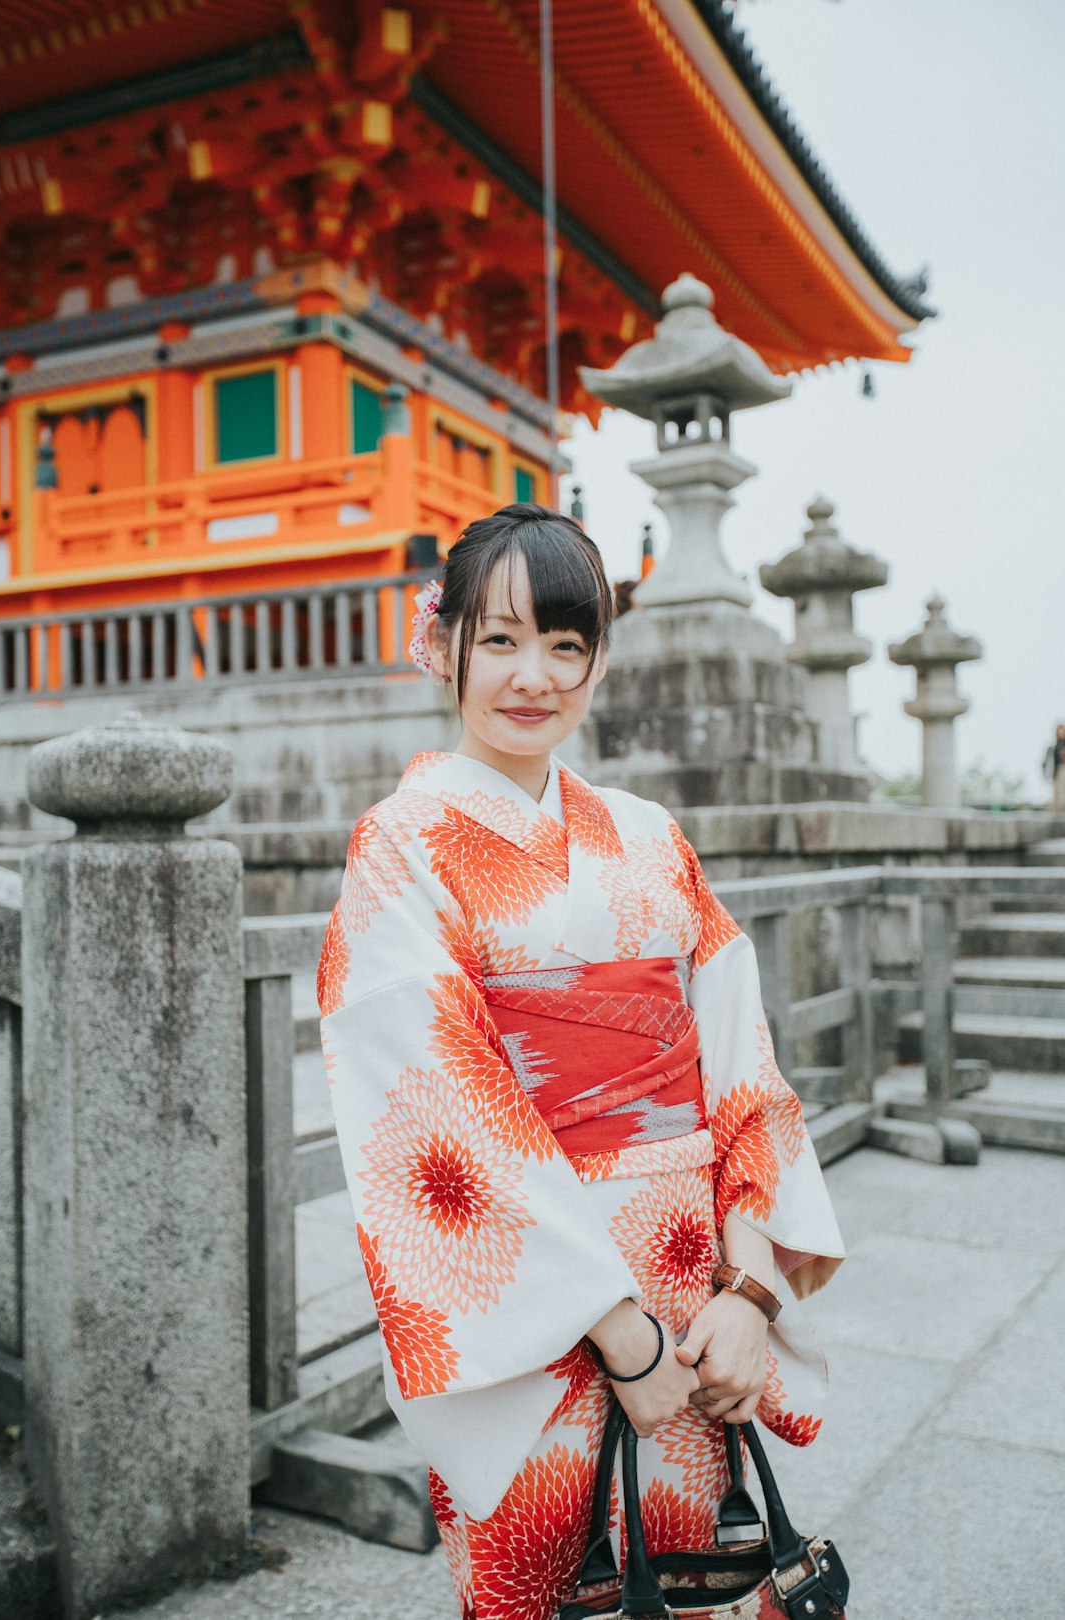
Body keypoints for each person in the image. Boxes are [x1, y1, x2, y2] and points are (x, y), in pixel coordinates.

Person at [317, 504, 844, 1620]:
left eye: (568, 643)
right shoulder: (402, 845)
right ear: (438, 638)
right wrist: (617, 1329)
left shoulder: (651, 835)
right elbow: (433, 1109)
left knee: (700, 1571)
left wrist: (747, 1293)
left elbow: (741, 1058)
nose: (534, 675)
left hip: (696, 1284)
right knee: (550, 1579)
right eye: (500, 638)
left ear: (599, 656)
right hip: (537, 1316)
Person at [1044, 723, 1065, 812]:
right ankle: (1058, 814)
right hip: (1056, 772)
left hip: (1063, 770)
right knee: (1057, 795)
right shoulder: (1054, 747)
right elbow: (1047, 762)